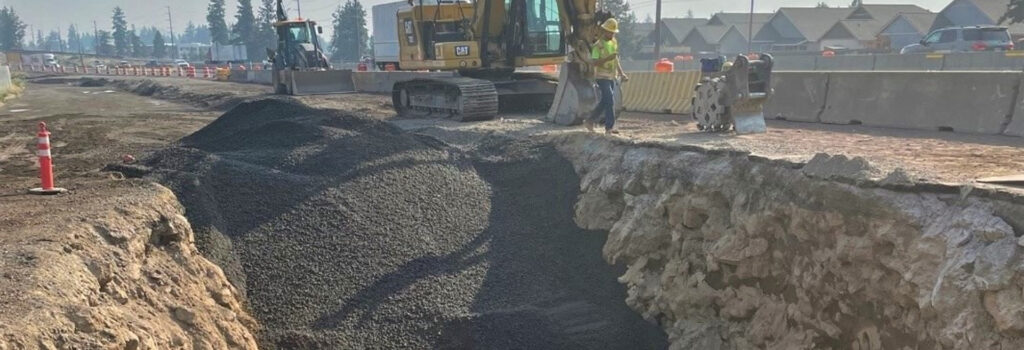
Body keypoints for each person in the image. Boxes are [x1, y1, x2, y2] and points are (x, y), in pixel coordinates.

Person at [585, 18, 629, 134]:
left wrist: (621, 73)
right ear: (604, 31)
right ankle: (609, 127)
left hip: (611, 77)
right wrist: (606, 59)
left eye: (613, 32)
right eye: (610, 31)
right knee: (610, 100)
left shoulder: (614, 42)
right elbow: (594, 62)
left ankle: (590, 120)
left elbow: (615, 60)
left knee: (605, 101)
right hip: (601, 77)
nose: (611, 34)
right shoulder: (597, 46)